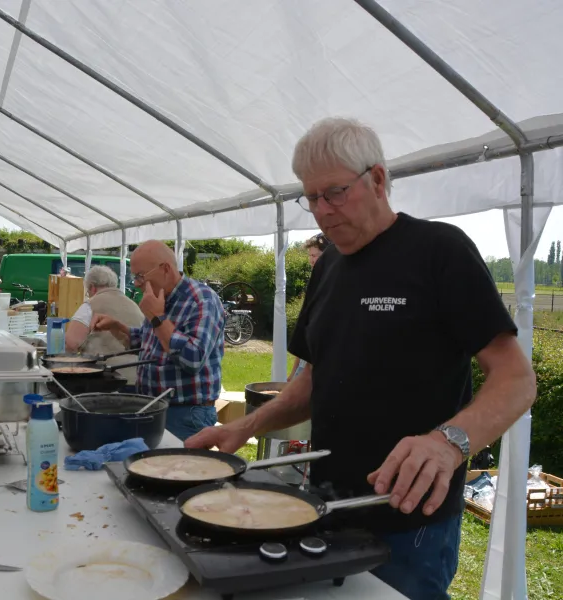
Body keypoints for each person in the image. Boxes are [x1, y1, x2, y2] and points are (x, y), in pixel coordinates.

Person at [185, 117, 536, 600]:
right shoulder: (327, 267)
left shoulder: (440, 252)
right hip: (326, 506)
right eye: (311, 198)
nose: (322, 211)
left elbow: (517, 379)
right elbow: (312, 382)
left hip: (411, 518)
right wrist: (243, 428)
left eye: (335, 192)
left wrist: (448, 442)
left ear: (376, 180)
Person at [92, 240, 225, 440]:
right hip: (154, 406)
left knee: (176, 470)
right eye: (134, 277)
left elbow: (193, 358)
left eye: (140, 276)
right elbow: (149, 343)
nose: (136, 284)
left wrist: (157, 317)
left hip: (185, 414)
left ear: (165, 269)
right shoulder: (159, 297)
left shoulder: (202, 299)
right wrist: (118, 327)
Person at [66, 265, 144, 391]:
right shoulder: (134, 305)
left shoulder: (90, 305)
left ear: (92, 287)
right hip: (138, 378)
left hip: (106, 379)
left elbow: (71, 343)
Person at [287, 232, 332, 381]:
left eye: (315, 256)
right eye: (310, 256)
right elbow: (305, 331)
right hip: (306, 364)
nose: (312, 260)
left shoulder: (333, 286)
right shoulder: (315, 283)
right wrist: (293, 373)